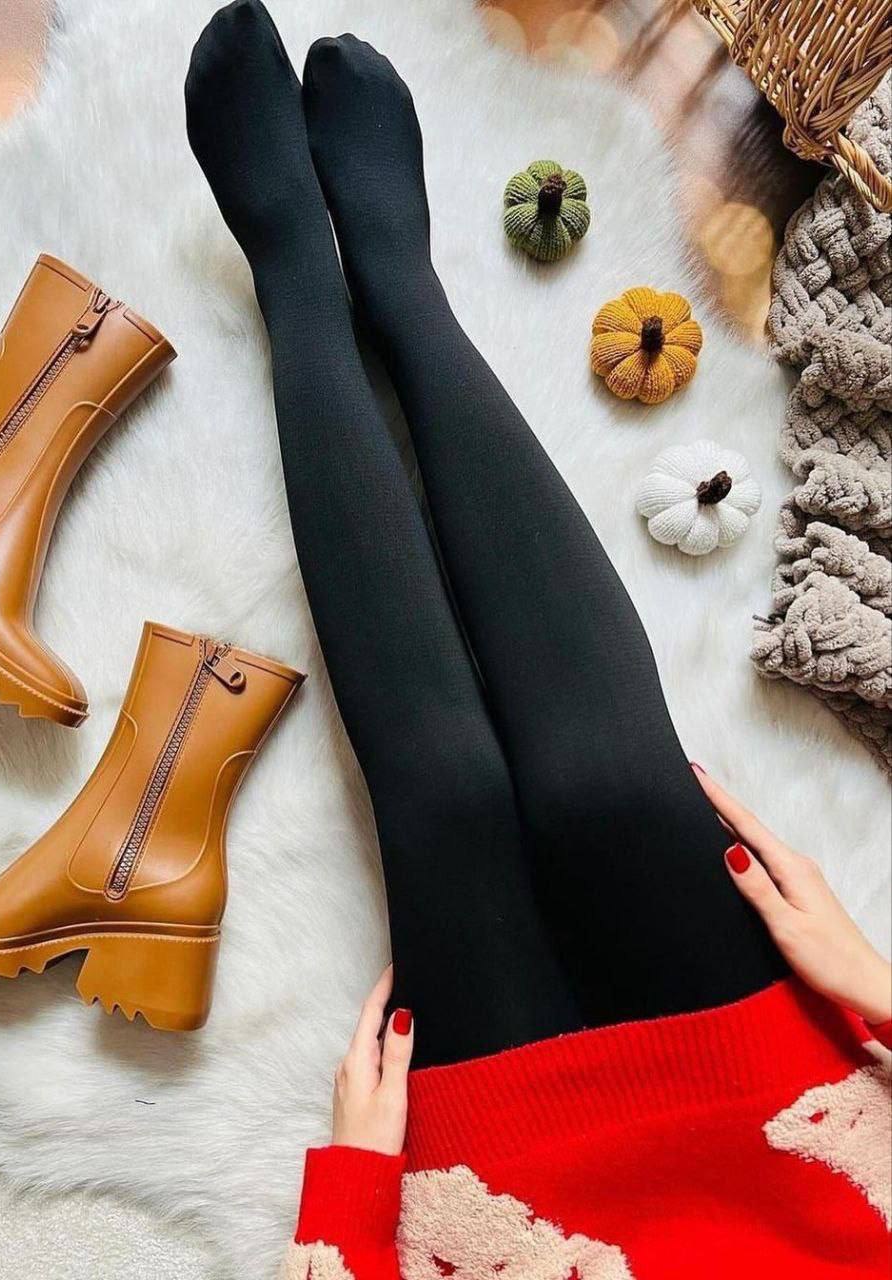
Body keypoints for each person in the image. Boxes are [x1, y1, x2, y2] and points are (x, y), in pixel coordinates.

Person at [183, 4, 892, 1273]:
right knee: (604, 782)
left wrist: (350, 1196)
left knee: (446, 801)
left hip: (516, 1206)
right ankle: (400, 286)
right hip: (796, 1147)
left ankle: (293, 265)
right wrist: (877, 990)